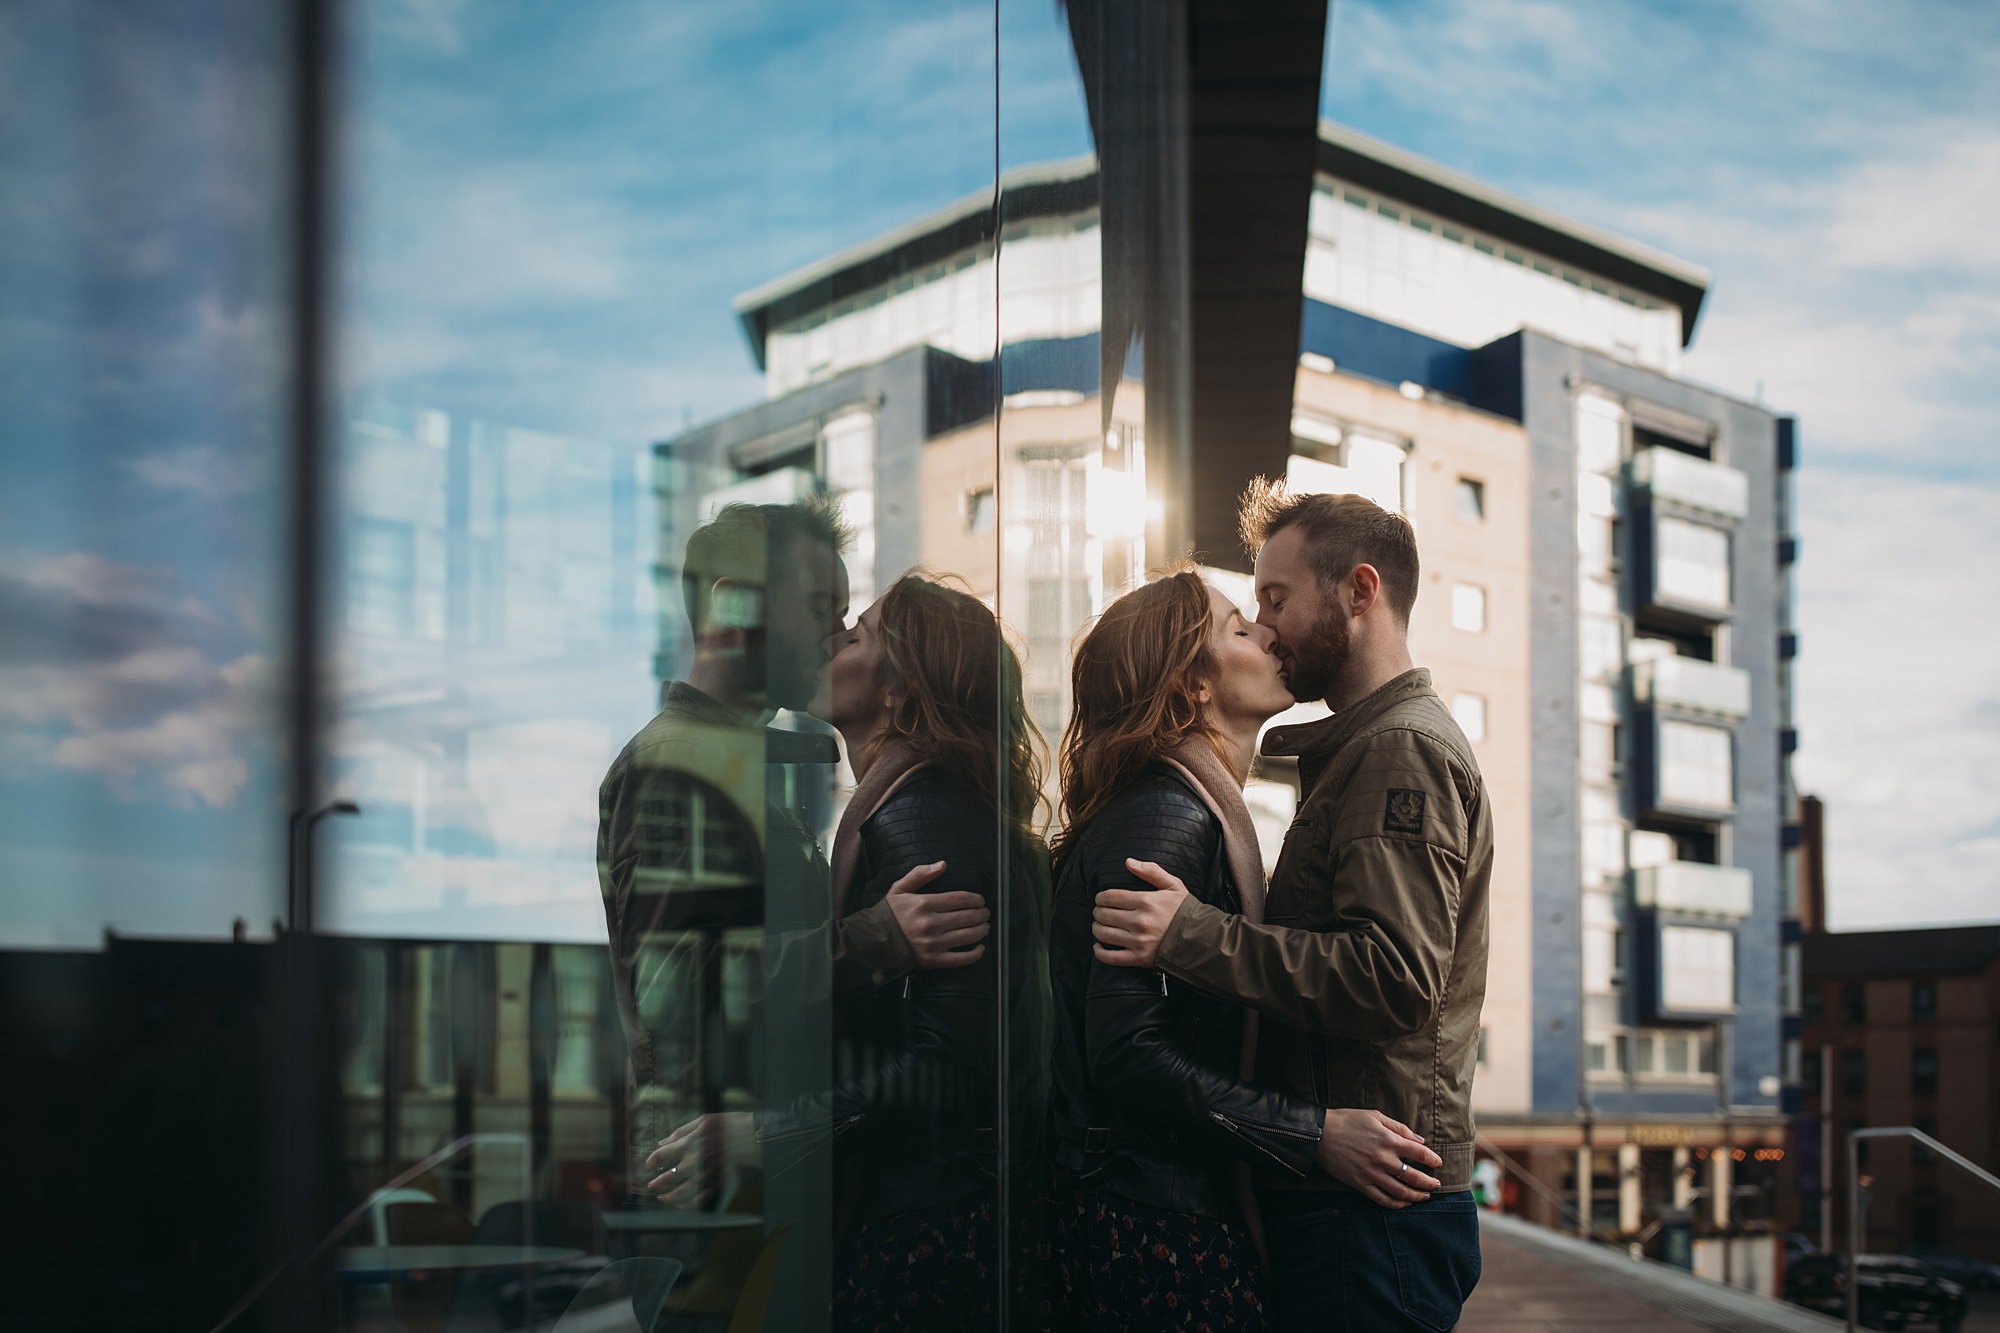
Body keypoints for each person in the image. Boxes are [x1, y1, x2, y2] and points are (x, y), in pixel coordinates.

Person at [1091, 485, 1492, 1333]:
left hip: (1372, 1205)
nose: (1266, 626)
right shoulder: (1362, 750)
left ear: (1359, 592)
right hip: (1351, 1193)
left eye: (1275, 598)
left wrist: (1193, 936)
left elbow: (1393, 976)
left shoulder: (1398, 751)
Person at [597, 503, 993, 1325]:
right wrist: (875, 939)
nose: (839, 631)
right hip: (711, 1206)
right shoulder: (679, 766)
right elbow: (676, 993)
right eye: (822, 607)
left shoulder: (736, 764)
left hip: (747, 1197)